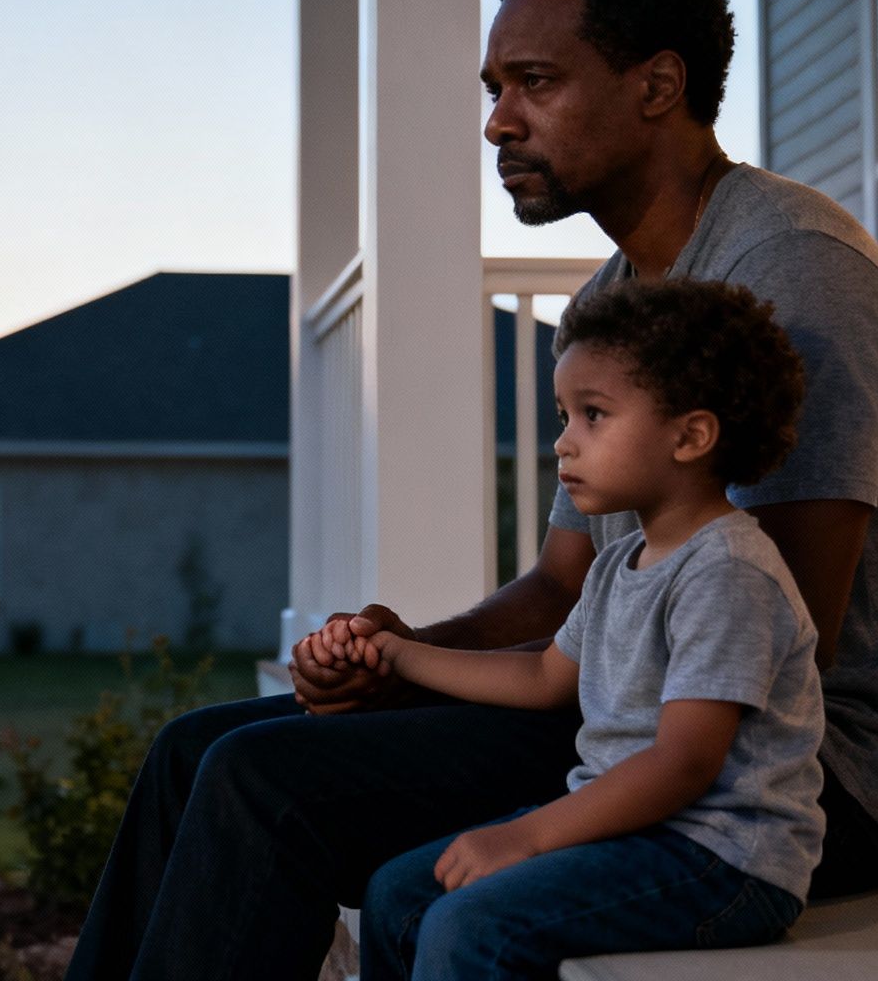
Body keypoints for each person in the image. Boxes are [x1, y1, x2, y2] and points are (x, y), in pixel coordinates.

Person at [63, 0, 878, 981]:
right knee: (189, 754)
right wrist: (399, 659)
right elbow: (558, 586)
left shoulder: (790, 270)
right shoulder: (610, 306)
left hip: (772, 778)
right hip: (627, 716)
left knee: (265, 781)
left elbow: (786, 624)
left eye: (534, 82)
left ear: (656, 85)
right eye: (493, 87)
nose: (497, 122)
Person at [341, 278, 822, 978]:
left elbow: (684, 762)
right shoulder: (622, 556)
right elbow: (542, 677)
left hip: (722, 858)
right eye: (564, 415)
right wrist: (400, 654)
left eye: (593, 415)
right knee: (396, 893)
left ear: (691, 435)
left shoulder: (728, 570)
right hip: (638, 833)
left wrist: (527, 836)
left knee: (471, 928)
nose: (564, 443)